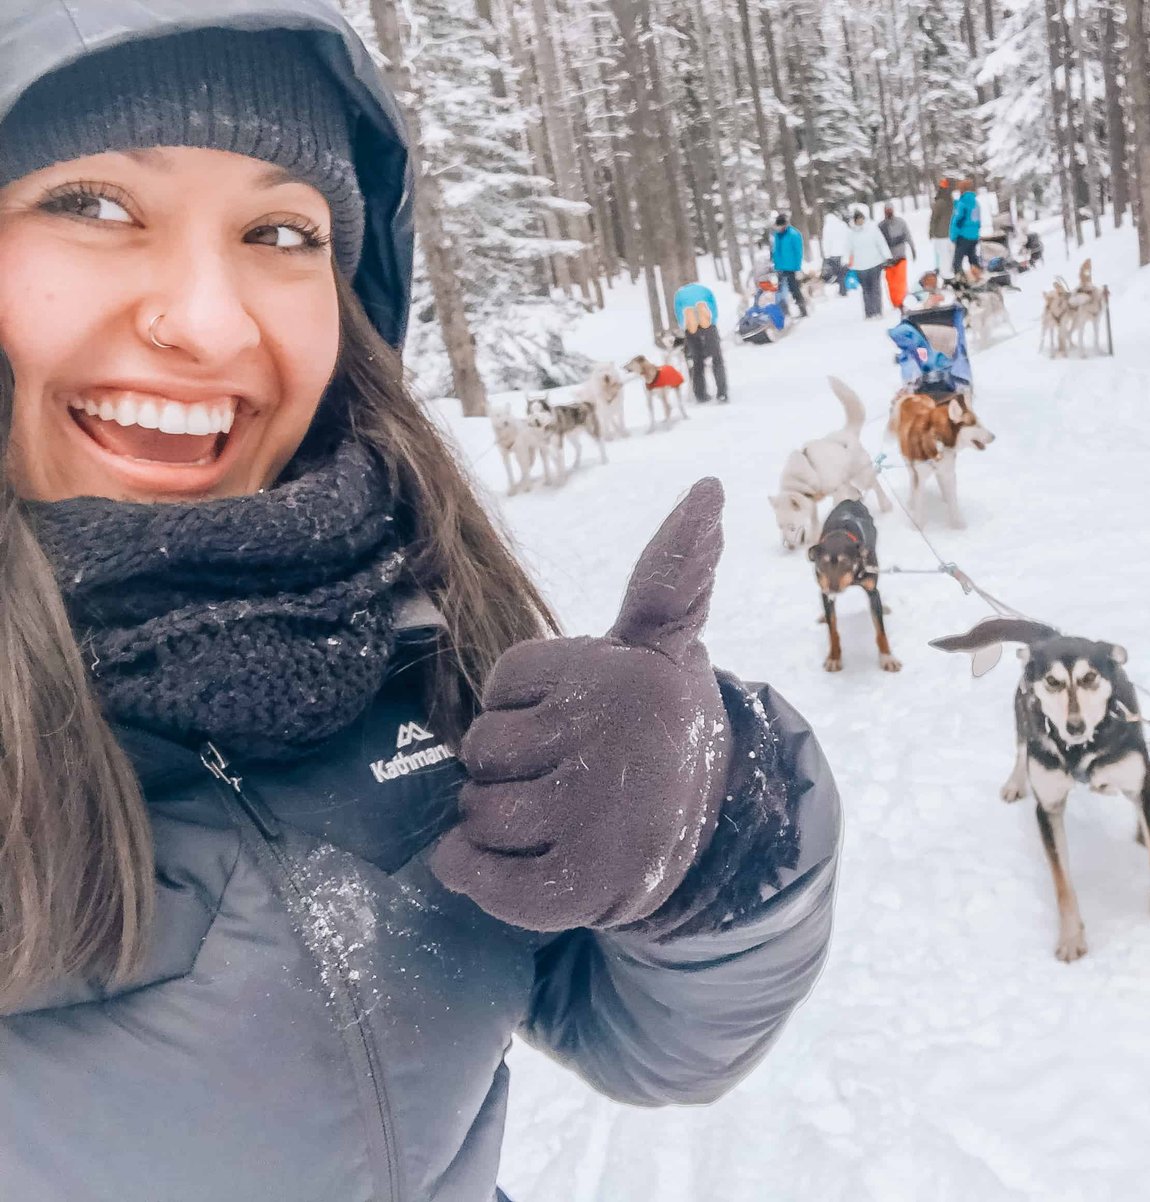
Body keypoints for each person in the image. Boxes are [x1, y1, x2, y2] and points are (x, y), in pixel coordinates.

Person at [0, 5, 840, 1199]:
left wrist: (710, 824)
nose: (206, 318)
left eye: (280, 229)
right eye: (92, 205)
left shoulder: (401, 632)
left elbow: (645, 1039)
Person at [671, 282, 729, 404]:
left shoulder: (679, 294)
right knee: (716, 358)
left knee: (697, 361)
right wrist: (712, 321)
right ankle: (722, 393)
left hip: (690, 328)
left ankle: (700, 394)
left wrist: (684, 326)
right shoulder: (705, 289)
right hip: (709, 326)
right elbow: (714, 307)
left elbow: (678, 313)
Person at [846, 207, 894, 320]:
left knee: (876, 288)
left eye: (861, 218)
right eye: (857, 219)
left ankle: (878, 311)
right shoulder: (851, 234)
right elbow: (848, 248)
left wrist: (887, 256)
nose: (860, 221)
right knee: (866, 289)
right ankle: (869, 312)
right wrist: (846, 261)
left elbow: (881, 243)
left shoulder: (873, 229)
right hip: (860, 266)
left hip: (875, 263)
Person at [879, 203, 918, 312]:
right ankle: (895, 303)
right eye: (887, 210)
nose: (889, 211)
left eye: (890, 209)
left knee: (900, 281)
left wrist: (913, 249)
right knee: (891, 283)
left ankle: (901, 301)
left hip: (901, 256)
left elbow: (908, 236)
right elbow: (877, 244)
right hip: (888, 259)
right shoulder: (881, 226)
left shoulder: (901, 222)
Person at [769, 212, 807, 318]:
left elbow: (798, 252)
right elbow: (776, 250)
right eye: (778, 226)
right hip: (780, 267)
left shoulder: (794, 234)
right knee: (780, 291)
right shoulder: (777, 235)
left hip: (791, 267)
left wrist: (798, 268)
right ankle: (784, 312)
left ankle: (802, 308)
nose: (779, 228)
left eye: (781, 226)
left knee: (794, 289)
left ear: (785, 225)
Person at [951, 179, 983, 278]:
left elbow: (957, 221)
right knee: (972, 259)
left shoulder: (962, 203)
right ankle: (979, 276)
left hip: (963, 236)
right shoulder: (976, 203)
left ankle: (959, 280)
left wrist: (953, 236)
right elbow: (978, 221)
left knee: (957, 261)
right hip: (974, 236)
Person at [929, 178, 955, 277]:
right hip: (952, 234)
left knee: (944, 257)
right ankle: (953, 274)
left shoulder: (939, 203)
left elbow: (933, 219)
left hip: (941, 235)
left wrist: (931, 232)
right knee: (951, 255)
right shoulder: (952, 202)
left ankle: (946, 276)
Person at [822, 209, 851, 296]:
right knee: (843, 272)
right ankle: (844, 288)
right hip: (844, 253)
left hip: (833, 254)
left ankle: (842, 290)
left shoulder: (827, 227)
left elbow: (826, 242)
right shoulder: (843, 225)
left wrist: (826, 255)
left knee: (838, 273)